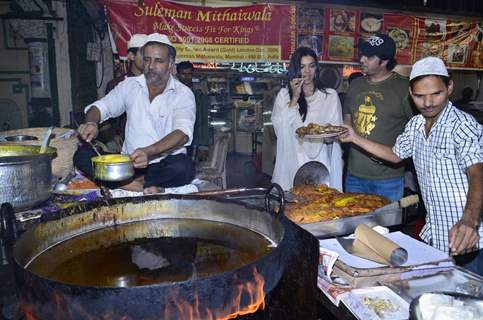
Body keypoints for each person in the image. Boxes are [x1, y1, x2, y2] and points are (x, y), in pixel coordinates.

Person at [339, 57, 483, 275]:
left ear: (450, 87)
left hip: (467, 238)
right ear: (410, 93)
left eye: (436, 93)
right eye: (420, 96)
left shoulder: (461, 125)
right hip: (436, 234)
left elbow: (477, 172)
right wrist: (355, 138)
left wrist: (469, 221)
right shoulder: (415, 125)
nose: (428, 103)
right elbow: (395, 155)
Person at [74, 33, 196, 194]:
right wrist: (91, 122)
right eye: (147, 60)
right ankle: (137, 184)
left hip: (163, 165)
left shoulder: (183, 93)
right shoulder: (129, 86)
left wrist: (149, 152)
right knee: (81, 155)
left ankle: (122, 183)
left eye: (158, 61)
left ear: (171, 64)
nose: (151, 66)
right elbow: (100, 107)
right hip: (130, 165)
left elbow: (182, 134)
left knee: (184, 167)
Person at [343, 33, 413, 201]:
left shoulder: (404, 88)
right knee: (354, 226)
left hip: (387, 179)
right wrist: (344, 130)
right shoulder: (356, 84)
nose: (362, 59)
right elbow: (348, 115)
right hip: (354, 175)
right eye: (362, 54)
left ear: (384, 61)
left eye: (369, 56)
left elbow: (416, 129)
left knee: (384, 228)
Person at [271, 46, 343, 191]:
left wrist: (329, 135)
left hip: (320, 162)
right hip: (291, 159)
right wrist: (295, 97)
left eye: (311, 66)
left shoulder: (329, 96)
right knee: (293, 206)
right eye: (302, 67)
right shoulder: (284, 96)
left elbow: (335, 132)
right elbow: (280, 130)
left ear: (316, 68)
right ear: (295, 69)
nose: (307, 72)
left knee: (320, 206)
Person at [176, 61, 211, 160]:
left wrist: (203, 145)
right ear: (178, 74)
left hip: (192, 139)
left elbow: (204, 119)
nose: (187, 77)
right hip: (173, 138)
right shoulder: (170, 92)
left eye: (189, 74)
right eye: (183, 74)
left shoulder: (199, 93)